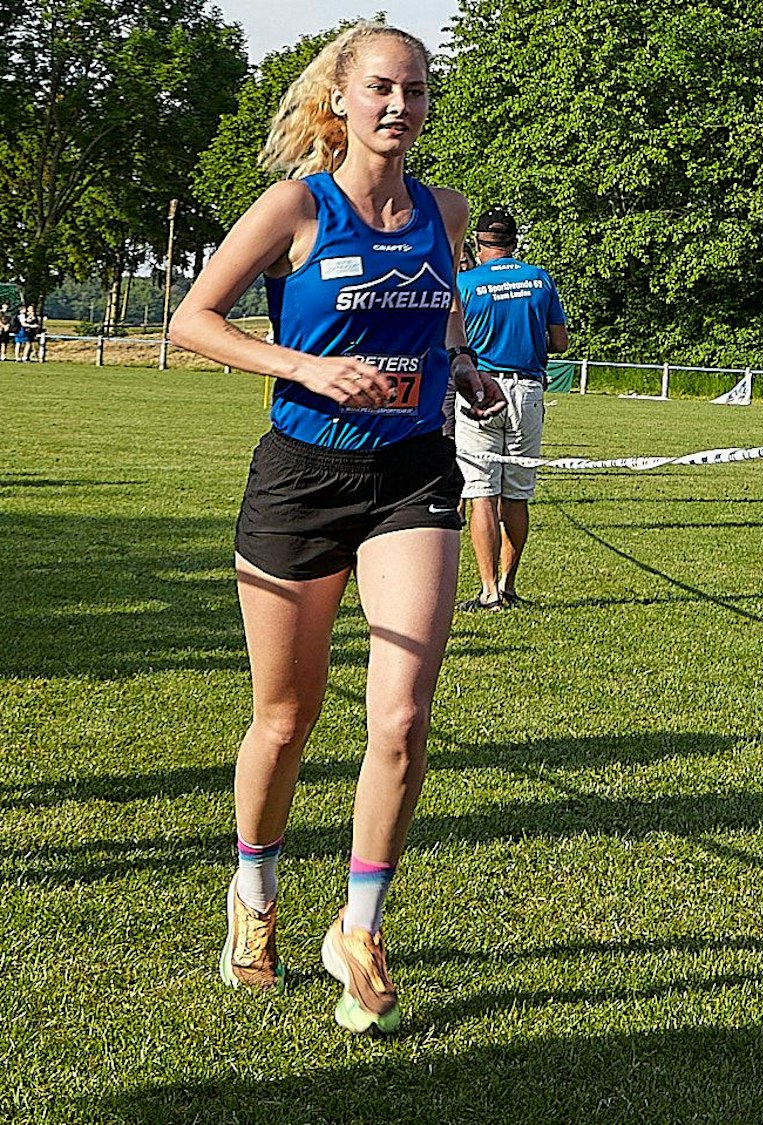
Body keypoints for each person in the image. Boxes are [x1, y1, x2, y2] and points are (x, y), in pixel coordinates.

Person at [166, 21, 504, 1035]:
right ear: (341, 101)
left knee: (400, 718)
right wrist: (304, 366)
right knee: (286, 716)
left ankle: (359, 929)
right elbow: (193, 319)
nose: (401, 106)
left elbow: (440, 313)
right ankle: (254, 894)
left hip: (411, 476)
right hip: (301, 481)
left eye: (417, 89)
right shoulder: (296, 206)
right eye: (383, 89)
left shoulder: (445, 211)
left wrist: (461, 366)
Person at [452, 205, 570, 611]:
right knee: (517, 495)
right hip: (528, 392)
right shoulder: (540, 279)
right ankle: (508, 584)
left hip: (480, 391)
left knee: (481, 493)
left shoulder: (465, 283)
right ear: (514, 242)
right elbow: (560, 343)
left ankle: (488, 591)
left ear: (479, 243)